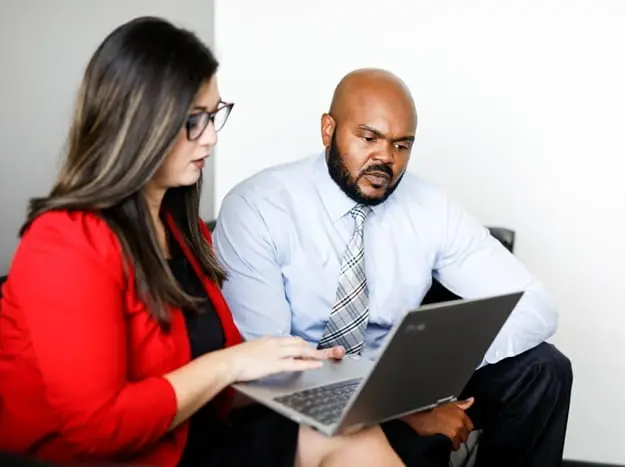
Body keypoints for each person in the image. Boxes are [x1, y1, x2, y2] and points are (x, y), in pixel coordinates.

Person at [0, 20, 404, 467]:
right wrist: (232, 365)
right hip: (114, 456)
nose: (211, 136)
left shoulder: (178, 228)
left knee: (354, 431)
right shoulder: (64, 242)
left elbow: (226, 374)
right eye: (194, 120)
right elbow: (100, 429)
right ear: (137, 123)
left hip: (188, 439)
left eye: (213, 116)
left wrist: (296, 368)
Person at [213, 68, 574, 467]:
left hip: (400, 381)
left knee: (544, 368)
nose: (385, 157)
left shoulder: (430, 207)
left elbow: (537, 306)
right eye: (369, 138)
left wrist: (431, 379)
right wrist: (402, 411)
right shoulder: (259, 207)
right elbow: (266, 364)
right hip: (295, 397)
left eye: (402, 145)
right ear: (328, 129)